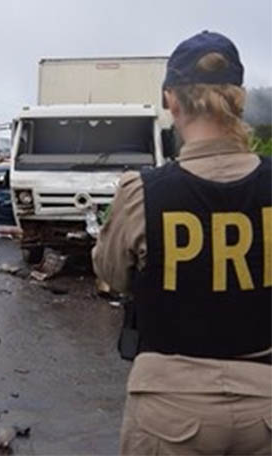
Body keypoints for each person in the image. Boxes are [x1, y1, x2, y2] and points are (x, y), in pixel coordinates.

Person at [92, 31, 272, 455]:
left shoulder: (141, 190)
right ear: (239, 99)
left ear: (171, 100)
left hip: (168, 407)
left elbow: (113, 275)